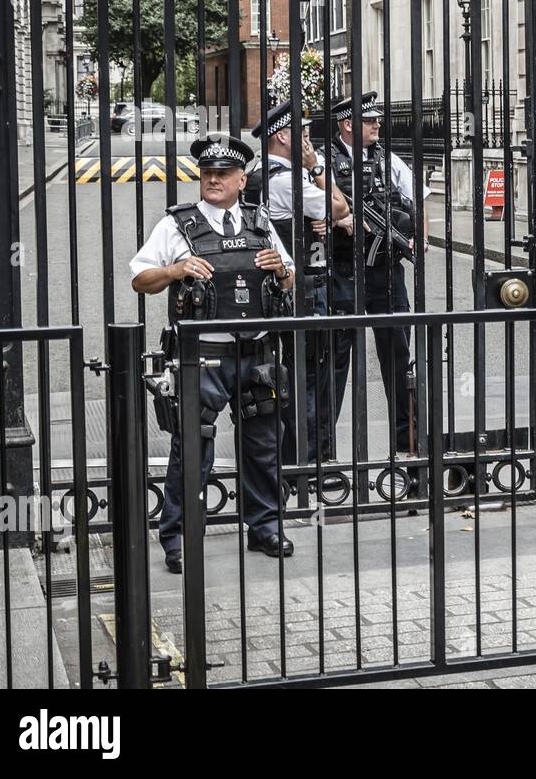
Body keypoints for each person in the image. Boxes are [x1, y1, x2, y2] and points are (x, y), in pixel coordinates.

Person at [130, 134, 296, 572]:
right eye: (207, 173)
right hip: (201, 355)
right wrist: (174, 269)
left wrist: (281, 270)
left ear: (243, 179)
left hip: (257, 351)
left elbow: (290, 279)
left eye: (223, 174)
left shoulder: (260, 222)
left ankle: (266, 528)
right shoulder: (177, 225)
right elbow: (140, 279)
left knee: (263, 445)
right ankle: (181, 538)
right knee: (193, 447)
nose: (214, 179)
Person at [322, 90, 430, 455]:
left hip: (385, 272)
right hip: (342, 271)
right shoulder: (323, 162)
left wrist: (419, 238)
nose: (378, 125)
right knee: (335, 362)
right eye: (371, 121)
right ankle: (323, 455)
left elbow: (419, 197)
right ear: (349, 124)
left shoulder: (388, 160)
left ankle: (407, 442)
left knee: (398, 356)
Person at [247, 100, 350, 470]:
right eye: (304, 136)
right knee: (309, 380)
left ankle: (298, 460)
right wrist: (316, 168)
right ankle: (309, 465)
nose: (310, 143)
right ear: (282, 136)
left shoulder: (260, 172)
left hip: (282, 287)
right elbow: (340, 206)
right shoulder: (284, 179)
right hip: (302, 288)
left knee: (295, 375)